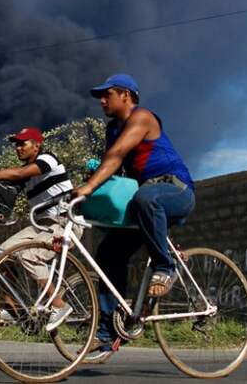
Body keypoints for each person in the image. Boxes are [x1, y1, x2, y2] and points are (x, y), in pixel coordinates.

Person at [72, 74, 195, 359]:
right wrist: (86, 189)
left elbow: (116, 156)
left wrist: (88, 187)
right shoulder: (112, 129)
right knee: (108, 253)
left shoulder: (142, 117)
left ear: (125, 95)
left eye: (107, 94)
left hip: (175, 189)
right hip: (148, 201)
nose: (102, 101)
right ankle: (105, 333)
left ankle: (166, 267)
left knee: (145, 197)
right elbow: (112, 168)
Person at [0, 126, 80, 331]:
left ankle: (60, 305)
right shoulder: (26, 179)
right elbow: (4, 196)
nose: (18, 148)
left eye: (23, 143)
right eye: (16, 144)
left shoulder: (48, 159)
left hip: (65, 223)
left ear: (37, 145)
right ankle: (15, 310)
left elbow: (17, 173)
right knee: (2, 254)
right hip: (42, 226)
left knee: (29, 256)